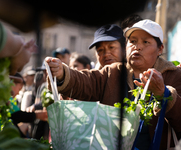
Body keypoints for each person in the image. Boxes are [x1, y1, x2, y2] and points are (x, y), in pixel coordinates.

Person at [45, 19, 181, 149]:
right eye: (132, 41)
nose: (137, 47)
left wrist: (164, 94)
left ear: (160, 49)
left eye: (146, 42)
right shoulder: (113, 71)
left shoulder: (174, 76)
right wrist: (63, 73)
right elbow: (86, 81)